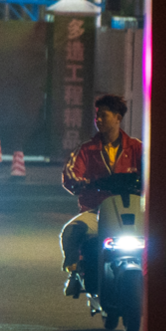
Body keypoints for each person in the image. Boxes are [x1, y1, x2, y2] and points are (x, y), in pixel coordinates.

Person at [59, 93, 143, 296]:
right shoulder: (87, 150)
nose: (98, 120)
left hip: (132, 211)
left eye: (103, 115)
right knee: (71, 231)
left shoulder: (136, 148)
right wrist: (79, 183)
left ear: (118, 118)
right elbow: (70, 173)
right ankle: (75, 271)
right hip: (97, 212)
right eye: (97, 116)